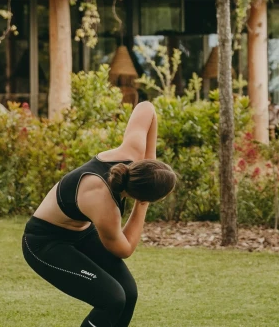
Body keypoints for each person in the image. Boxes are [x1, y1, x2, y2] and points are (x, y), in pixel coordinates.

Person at [23, 100, 177, 327]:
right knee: (112, 299)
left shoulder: (131, 153)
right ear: (144, 196)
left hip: (80, 233)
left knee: (129, 293)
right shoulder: (104, 204)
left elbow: (147, 108)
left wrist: (149, 161)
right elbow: (124, 249)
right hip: (45, 243)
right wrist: (142, 205)